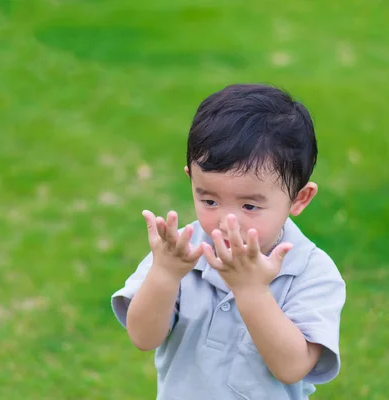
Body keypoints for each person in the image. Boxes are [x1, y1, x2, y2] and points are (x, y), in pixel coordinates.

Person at [111, 83, 346, 400]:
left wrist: (251, 289)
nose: (226, 221)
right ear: (192, 181)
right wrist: (165, 274)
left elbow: (292, 368)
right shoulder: (181, 251)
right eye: (209, 201)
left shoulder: (311, 273)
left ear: (299, 199)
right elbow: (143, 337)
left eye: (250, 206)